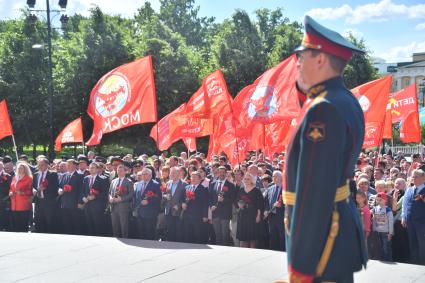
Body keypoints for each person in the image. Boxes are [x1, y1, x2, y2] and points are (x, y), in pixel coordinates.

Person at [283, 15, 367, 282]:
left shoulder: (323, 109)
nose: (297, 62)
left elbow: (313, 193)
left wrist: (300, 267)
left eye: (302, 56)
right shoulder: (343, 100)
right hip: (333, 230)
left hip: (321, 244)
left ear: (320, 59)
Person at [402, 169, 425, 265]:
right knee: (412, 243)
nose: (413, 178)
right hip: (410, 222)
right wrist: (403, 216)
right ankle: (414, 264)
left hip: (422, 222)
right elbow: (404, 204)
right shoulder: (409, 189)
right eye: (413, 176)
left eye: (416, 176)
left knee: (422, 244)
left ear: (423, 178)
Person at [209, 166, 237, 246]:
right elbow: (210, 197)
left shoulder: (231, 185)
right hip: (215, 213)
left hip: (225, 213)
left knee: (225, 234)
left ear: (226, 173)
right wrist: (211, 206)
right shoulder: (212, 184)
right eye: (220, 172)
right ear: (217, 173)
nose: (221, 174)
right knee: (217, 234)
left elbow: (232, 199)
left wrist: (224, 200)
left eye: (223, 172)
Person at [80, 162, 109, 236]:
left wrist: (95, 197)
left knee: (98, 225)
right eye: (90, 168)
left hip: (97, 206)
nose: (91, 169)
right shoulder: (86, 178)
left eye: (93, 168)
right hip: (87, 205)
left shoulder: (103, 179)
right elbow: (82, 190)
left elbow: (105, 193)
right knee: (89, 224)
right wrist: (83, 198)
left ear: (97, 169)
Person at [236, 172, 263, 248]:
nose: (246, 180)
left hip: (252, 216)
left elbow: (260, 205)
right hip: (243, 215)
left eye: (248, 179)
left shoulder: (256, 191)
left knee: (252, 238)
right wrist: (239, 204)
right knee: (244, 238)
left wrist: (258, 216)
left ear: (251, 180)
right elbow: (237, 200)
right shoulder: (241, 190)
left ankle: (253, 254)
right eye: (245, 179)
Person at [133, 168, 162, 240]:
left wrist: (149, 201)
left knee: (149, 233)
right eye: (142, 174)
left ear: (150, 175)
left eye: (145, 174)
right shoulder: (139, 184)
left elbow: (159, 198)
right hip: (140, 212)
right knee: (141, 232)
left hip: (150, 213)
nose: (142, 176)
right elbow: (136, 196)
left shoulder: (156, 184)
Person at [33, 157, 59, 233]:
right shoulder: (36, 174)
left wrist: (45, 188)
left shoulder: (53, 174)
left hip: (49, 201)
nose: (40, 166)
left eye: (42, 165)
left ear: (47, 165)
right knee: (39, 219)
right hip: (38, 201)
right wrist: (34, 190)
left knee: (49, 220)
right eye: (39, 165)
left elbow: (55, 187)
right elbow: (33, 186)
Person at [181, 171, 209, 244]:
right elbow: (182, 198)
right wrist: (183, 203)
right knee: (188, 234)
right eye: (191, 177)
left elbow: (205, 203)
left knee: (198, 234)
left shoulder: (203, 189)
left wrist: (205, 216)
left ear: (200, 179)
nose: (192, 179)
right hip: (187, 215)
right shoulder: (187, 187)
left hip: (198, 216)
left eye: (195, 177)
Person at [58, 159, 84, 235]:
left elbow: (81, 190)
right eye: (67, 165)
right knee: (66, 223)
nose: (67, 166)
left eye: (69, 165)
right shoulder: (64, 175)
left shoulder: (80, 176)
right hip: (64, 203)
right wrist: (59, 190)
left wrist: (80, 202)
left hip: (74, 203)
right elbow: (59, 186)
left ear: (75, 166)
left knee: (75, 223)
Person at [108, 164, 133, 238]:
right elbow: (109, 192)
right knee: (115, 225)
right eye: (118, 170)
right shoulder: (113, 181)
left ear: (125, 172)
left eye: (121, 170)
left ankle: (125, 239)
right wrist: (110, 198)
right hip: (113, 206)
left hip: (123, 207)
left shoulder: (128, 182)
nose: (119, 172)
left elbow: (131, 195)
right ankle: (116, 239)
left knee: (124, 226)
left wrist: (121, 199)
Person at [264, 171, 285, 251]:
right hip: (271, 216)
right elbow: (266, 201)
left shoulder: (285, 188)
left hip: (281, 217)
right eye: (273, 176)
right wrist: (266, 210)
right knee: (273, 237)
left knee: (282, 237)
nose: (273, 178)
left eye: (275, 176)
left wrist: (281, 205)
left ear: (281, 177)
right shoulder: (270, 188)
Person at [164, 166, 186, 242]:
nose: (171, 174)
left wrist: (179, 205)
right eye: (171, 173)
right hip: (168, 210)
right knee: (170, 230)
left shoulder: (184, 184)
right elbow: (165, 195)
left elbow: (185, 198)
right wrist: (165, 196)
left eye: (174, 173)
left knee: (178, 230)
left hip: (178, 211)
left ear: (178, 173)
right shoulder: (168, 183)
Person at [9, 162, 33, 232]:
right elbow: (11, 188)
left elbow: (30, 191)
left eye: (21, 168)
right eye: (18, 168)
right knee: (15, 224)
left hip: (23, 204)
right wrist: (10, 192)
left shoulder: (29, 179)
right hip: (14, 204)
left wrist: (23, 192)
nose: (19, 170)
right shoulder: (14, 178)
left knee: (23, 225)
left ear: (25, 170)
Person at [0, 161, 12, 231]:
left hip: (3, 200)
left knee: (3, 216)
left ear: (2, 167)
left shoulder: (7, 176)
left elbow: (9, 188)